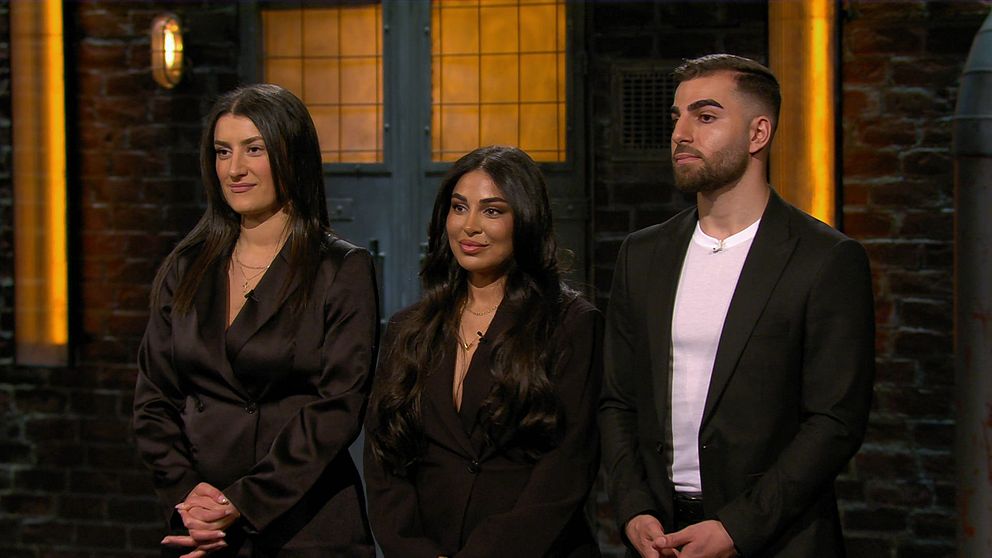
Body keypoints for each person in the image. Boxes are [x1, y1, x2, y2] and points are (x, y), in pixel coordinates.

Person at [599, 54, 875, 558]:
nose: (681, 133)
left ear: (758, 133)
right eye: (677, 117)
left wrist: (736, 528)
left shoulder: (824, 259)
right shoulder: (643, 254)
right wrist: (633, 506)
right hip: (661, 536)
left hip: (777, 537)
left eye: (705, 116)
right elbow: (618, 399)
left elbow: (835, 421)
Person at [132, 83, 379, 557]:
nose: (234, 169)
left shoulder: (339, 268)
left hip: (303, 522)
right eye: (223, 152)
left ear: (292, 156)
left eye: (254, 149)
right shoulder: (187, 265)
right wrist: (188, 498)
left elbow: (338, 407)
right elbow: (153, 399)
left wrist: (241, 501)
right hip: (201, 526)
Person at [364, 145, 603, 557]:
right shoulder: (409, 328)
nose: (469, 226)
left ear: (525, 220)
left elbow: (565, 469)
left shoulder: (570, 324)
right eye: (459, 208)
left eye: (492, 211)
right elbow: (385, 456)